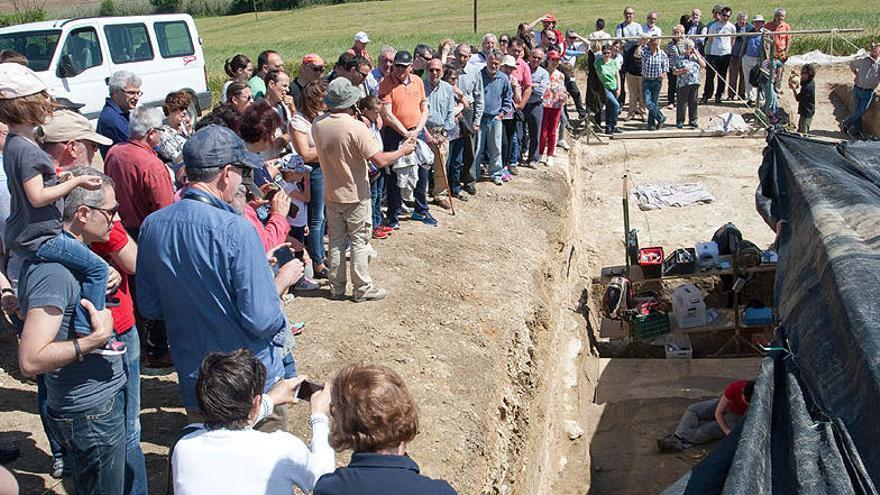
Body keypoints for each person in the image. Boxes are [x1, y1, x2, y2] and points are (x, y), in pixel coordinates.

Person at [136, 125, 291, 427]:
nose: (241, 182)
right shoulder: (237, 230)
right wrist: (280, 284)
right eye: (241, 173)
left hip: (197, 379)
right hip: (248, 382)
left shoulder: (152, 225)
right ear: (226, 172)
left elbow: (151, 307)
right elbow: (262, 319)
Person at [17, 169, 126, 493]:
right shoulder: (55, 273)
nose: (116, 219)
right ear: (82, 213)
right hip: (89, 413)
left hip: (94, 406)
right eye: (111, 212)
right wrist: (94, 340)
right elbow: (31, 360)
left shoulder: (77, 259)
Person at [0, 63, 119, 353]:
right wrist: (75, 181)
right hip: (41, 236)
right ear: (27, 107)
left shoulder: (15, 143)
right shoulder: (27, 149)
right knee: (97, 269)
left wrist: (62, 176)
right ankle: (86, 325)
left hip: (27, 234)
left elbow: (37, 181)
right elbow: (38, 196)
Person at [171, 349, 335, 494]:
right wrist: (319, 416)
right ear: (256, 402)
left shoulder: (184, 445)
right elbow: (323, 478)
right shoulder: (281, 448)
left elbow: (230, 423)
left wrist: (269, 400)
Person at [312, 78, 416, 302]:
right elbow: (378, 160)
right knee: (359, 240)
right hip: (355, 193)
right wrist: (403, 151)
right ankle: (362, 288)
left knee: (337, 242)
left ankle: (336, 287)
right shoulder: (355, 127)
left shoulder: (318, 124)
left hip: (331, 192)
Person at [313, 364, 458, 495]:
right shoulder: (439, 492)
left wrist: (319, 417)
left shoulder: (329, 488)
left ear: (343, 426)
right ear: (405, 417)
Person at [104, 106, 175, 239]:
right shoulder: (153, 165)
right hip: (149, 234)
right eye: (161, 130)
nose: (162, 134)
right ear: (152, 133)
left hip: (122, 231)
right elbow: (166, 211)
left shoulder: (113, 153)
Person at [379, 50, 430, 229]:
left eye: (403, 66)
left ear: (410, 67)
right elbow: (388, 114)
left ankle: (421, 209)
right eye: (397, 65)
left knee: (422, 170)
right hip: (395, 134)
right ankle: (393, 214)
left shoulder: (418, 81)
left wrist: (417, 130)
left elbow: (424, 107)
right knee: (393, 174)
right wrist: (405, 133)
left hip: (416, 131)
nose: (399, 69)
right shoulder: (385, 83)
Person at [290, 79, 330, 278]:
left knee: (322, 216)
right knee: (317, 217)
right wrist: (329, 150)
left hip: (323, 168)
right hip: (312, 172)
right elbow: (304, 153)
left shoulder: (320, 117)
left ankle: (320, 254)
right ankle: (317, 262)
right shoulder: (299, 122)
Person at [658, 380, 755, 451]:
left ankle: (681, 440)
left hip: (737, 417)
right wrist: (726, 430)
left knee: (706, 430)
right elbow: (718, 412)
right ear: (742, 391)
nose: (747, 403)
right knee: (693, 409)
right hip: (726, 406)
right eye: (745, 400)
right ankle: (680, 438)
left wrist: (728, 430)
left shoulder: (757, 401)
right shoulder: (735, 387)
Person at [446, 43, 483, 197]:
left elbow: (479, 96)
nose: (462, 58)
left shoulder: (474, 72)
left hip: (468, 111)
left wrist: (477, 120)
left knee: (469, 149)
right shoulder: (447, 69)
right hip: (449, 112)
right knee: (450, 152)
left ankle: (468, 181)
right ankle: (448, 183)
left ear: (470, 56)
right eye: (460, 55)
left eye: (466, 56)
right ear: (455, 54)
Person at [474, 48, 513, 184]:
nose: (494, 65)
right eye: (491, 62)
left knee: (496, 147)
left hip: (495, 118)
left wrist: (502, 113)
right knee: (477, 147)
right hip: (480, 117)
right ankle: (475, 174)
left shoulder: (503, 78)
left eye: (497, 63)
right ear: (487, 60)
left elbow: (508, 97)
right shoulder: (478, 75)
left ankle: (496, 173)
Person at [424, 58, 456, 209]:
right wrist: (425, 133)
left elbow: (451, 113)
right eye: (431, 70)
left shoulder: (448, 88)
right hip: (423, 133)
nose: (434, 73)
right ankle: (421, 195)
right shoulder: (420, 87)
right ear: (426, 71)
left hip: (441, 132)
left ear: (442, 71)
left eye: (437, 70)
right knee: (422, 166)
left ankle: (439, 194)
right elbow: (417, 112)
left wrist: (443, 133)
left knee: (441, 166)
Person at [96, 70, 141, 156]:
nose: (136, 97)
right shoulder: (112, 119)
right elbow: (138, 145)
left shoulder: (122, 113)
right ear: (116, 93)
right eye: (131, 93)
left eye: (138, 93)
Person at [841, 43, 880, 139]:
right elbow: (852, 65)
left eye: (875, 51)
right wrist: (857, 75)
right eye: (872, 50)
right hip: (857, 88)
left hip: (868, 91)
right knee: (856, 110)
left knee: (861, 111)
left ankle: (845, 123)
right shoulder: (863, 60)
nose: (872, 52)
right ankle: (856, 130)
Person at [702, 6, 736, 104]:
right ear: (720, 15)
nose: (725, 17)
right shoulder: (713, 26)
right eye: (724, 15)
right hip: (714, 54)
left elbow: (732, 39)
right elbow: (710, 39)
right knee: (710, 76)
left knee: (722, 76)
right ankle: (706, 95)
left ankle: (719, 95)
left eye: (728, 16)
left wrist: (728, 49)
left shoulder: (731, 27)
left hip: (726, 54)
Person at [538, 50, 566, 166]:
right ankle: (540, 153)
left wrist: (564, 98)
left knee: (553, 131)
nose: (555, 62)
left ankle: (550, 154)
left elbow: (563, 90)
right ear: (548, 60)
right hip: (544, 105)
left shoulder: (560, 75)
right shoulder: (542, 73)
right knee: (543, 131)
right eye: (553, 60)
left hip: (556, 105)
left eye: (557, 60)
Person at [616, 6, 644, 117]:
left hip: (635, 59)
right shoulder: (619, 26)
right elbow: (619, 40)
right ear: (624, 14)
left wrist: (629, 40)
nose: (629, 15)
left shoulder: (638, 26)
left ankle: (639, 108)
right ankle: (621, 104)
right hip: (624, 57)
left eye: (631, 13)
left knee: (638, 85)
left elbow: (640, 39)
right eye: (627, 13)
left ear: (634, 15)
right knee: (621, 81)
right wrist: (632, 41)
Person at [523, 48, 548, 167]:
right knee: (519, 132)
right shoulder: (523, 68)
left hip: (535, 105)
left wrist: (527, 87)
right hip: (521, 105)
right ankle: (517, 156)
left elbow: (540, 91)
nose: (536, 60)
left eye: (539, 58)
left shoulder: (544, 73)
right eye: (534, 57)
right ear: (530, 57)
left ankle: (534, 158)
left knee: (535, 133)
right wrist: (532, 85)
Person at [638, 36, 669, 130]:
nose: (654, 45)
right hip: (646, 79)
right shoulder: (645, 51)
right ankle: (660, 117)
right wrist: (641, 43)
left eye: (656, 43)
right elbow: (637, 54)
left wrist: (664, 73)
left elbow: (666, 66)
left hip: (657, 80)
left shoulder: (662, 53)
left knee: (654, 102)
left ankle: (651, 124)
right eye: (652, 43)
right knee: (648, 102)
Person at [674, 39, 705, 129]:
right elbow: (674, 72)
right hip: (683, 83)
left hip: (695, 82)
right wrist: (682, 71)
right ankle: (680, 121)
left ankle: (693, 120)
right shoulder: (679, 58)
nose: (688, 49)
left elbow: (703, 65)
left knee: (693, 103)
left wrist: (696, 54)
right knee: (682, 103)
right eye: (687, 47)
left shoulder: (696, 58)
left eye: (690, 47)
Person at [157, 90, 193, 165]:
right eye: (181, 108)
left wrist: (190, 131)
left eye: (186, 108)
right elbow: (176, 159)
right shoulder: (163, 133)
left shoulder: (183, 126)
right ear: (170, 109)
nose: (185, 112)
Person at [595, 45, 622, 134]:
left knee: (610, 108)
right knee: (616, 105)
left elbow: (617, 75)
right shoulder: (598, 63)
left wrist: (619, 88)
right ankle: (611, 125)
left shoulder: (614, 62)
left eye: (608, 53)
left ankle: (610, 126)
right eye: (604, 53)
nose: (606, 55)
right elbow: (597, 76)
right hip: (604, 88)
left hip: (613, 86)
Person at [741, 15, 766, 104]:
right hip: (748, 57)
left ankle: (761, 98)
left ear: (763, 23)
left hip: (760, 59)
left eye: (759, 22)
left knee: (760, 79)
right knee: (748, 78)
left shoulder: (766, 33)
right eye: (755, 22)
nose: (757, 24)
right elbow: (744, 43)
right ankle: (751, 98)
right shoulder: (749, 32)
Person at [728, 13, 753, 101]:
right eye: (741, 19)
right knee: (733, 76)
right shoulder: (733, 28)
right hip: (734, 55)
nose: (743, 21)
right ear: (737, 19)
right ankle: (731, 94)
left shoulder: (750, 28)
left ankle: (741, 94)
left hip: (745, 55)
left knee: (744, 76)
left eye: (745, 19)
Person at [790, 63, 817, 134]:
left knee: (803, 134)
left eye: (803, 73)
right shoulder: (810, 82)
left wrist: (793, 89)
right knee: (800, 131)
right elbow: (802, 82)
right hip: (806, 112)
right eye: (801, 73)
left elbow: (797, 98)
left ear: (809, 74)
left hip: (806, 113)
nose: (802, 75)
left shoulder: (807, 88)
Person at [666, 25, 685, 109]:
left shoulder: (684, 43)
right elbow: (667, 55)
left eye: (678, 32)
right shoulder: (670, 44)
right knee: (671, 85)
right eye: (675, 33)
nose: (677, 34)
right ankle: (671, 102)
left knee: (681, 85)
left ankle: (681, 101)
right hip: (672, 68)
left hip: (681, 67)